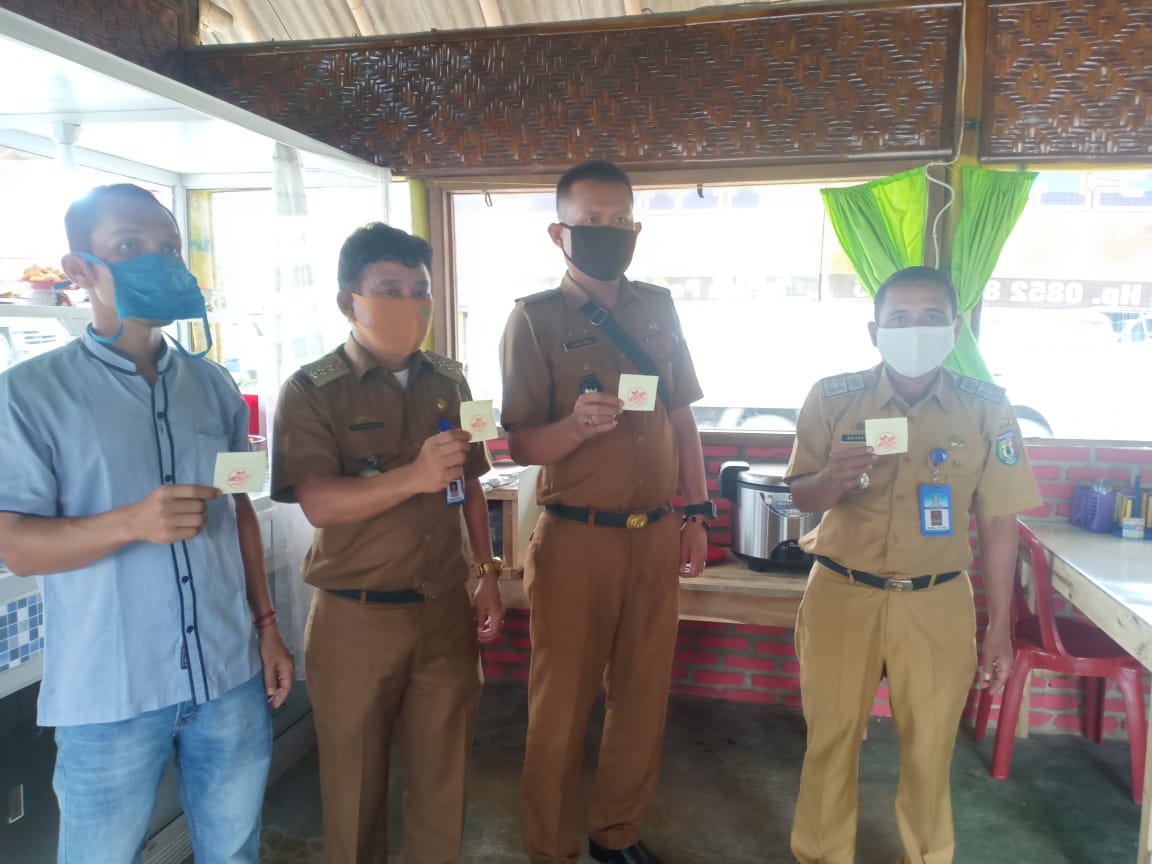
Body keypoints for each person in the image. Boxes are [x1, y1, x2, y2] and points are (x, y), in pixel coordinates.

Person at [0, 183, 294, 864]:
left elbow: (239, 508)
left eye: (166, 247)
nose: (156, 261)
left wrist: (267, 627)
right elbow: (17, 544)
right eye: (129, 247)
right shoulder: (30, 394)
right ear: (78, 270)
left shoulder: (214, 386)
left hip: (228, 677)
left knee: (234, 851)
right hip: (110, 694)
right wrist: (128, 522)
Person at [785, 266, 1042, 864]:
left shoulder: (987, 408)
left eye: (930, 318)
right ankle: (822, 856)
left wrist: (999, 626)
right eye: (899, 319)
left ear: (955, 327)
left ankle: (926, 857)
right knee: (830, 740)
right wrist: (831, 480)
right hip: (841, 593)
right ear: (875, 330)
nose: (915, 329)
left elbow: (999, 520)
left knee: (929, 748)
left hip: (937, 600)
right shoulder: (832, 396)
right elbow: (800, 497)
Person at [271, 222, 504, 864]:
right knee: (354, 790)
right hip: (356, 616)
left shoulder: (452, 380)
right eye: (390, 288)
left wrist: (487, 573)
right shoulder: (311, 389)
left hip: (444, 612)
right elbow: (318, 502)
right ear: (350, 299)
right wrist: (413, 477)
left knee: (443, 782)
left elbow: (476, 484)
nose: (410, 303)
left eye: (420, 290)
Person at [499, 160, 712, 864]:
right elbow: (521, 439)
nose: (605, 232)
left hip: (653, 534)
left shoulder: (658, 308)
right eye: (590, 222)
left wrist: (697, 512)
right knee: (559, 709)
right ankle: (549, 847)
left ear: (635, 228)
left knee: (642, 700)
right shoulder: (532, 319)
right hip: (575, 541)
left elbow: (682, 417)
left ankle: (616, 834)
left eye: (617, 220)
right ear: (559, 231)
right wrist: (574, 429)